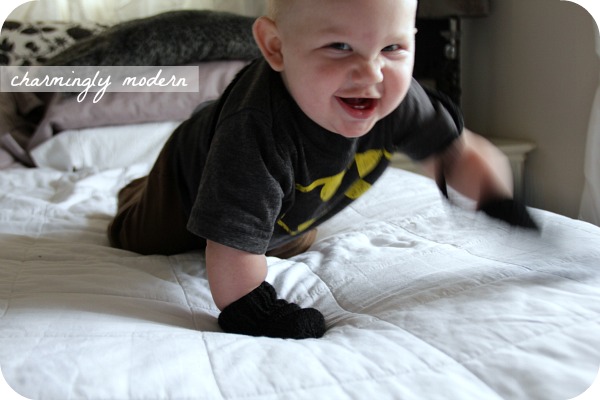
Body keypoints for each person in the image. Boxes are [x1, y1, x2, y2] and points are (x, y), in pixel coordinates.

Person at [108, 0, 522, 339]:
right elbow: (233, 266)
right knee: (144, 236)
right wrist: (255, 312)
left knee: (284, 238)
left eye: (393, 48)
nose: (372, 73)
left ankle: (256, 214)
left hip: (290, 201)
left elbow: (456, 155)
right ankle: (136, 190)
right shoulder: (256, 128)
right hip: (183, 185)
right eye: (340, 46)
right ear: (275, 47)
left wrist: (497, 201)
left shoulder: (400, 98)